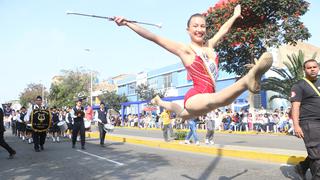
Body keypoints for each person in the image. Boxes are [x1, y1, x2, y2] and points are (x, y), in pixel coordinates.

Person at [113, 4, 273, 120]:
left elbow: (223, 30)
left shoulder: (210, 45)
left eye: (203, 26)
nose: (199, 29)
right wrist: (127, 23)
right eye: (195, 26)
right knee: (217, 100)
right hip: (195, 98)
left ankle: (159, 101)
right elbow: (154, 37)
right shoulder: (185, 50)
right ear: (188, 30)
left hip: (206, 99)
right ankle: (247, 79)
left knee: (182, 114)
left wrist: (234, 16)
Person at [291, 59, 320, 179]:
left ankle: (302, 167)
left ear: (318, 68)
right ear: (304, 70)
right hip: (309, 122)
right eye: (309, 67)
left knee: (317, 152)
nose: (312, 69)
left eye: (315, 67)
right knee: (317, 155)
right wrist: (296, 125)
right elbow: (295, 106)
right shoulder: (299, 85)